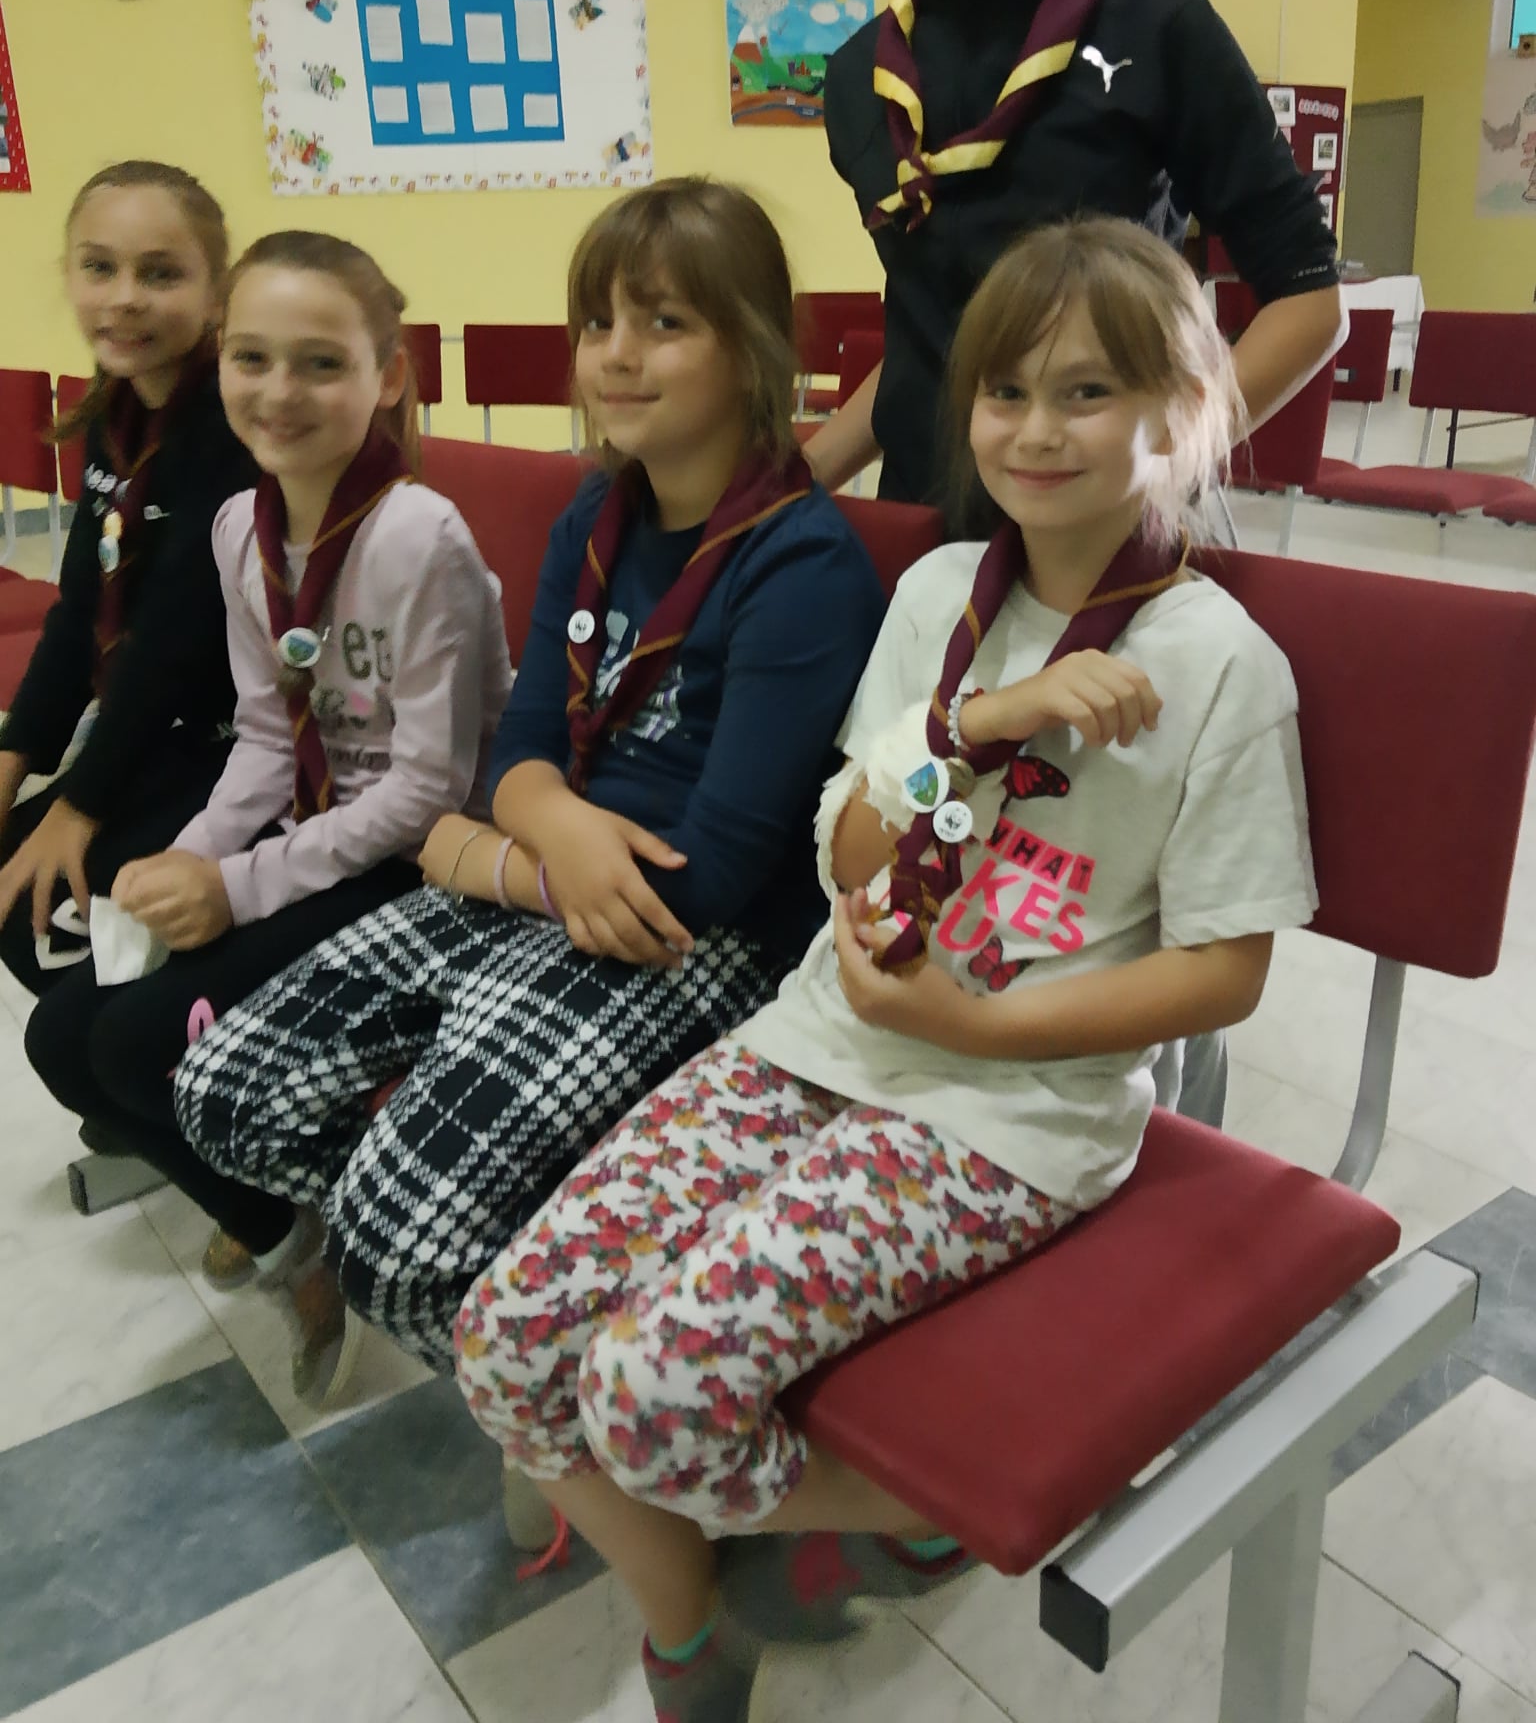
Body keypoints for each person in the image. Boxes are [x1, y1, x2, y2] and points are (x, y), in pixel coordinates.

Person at [454, 216, 1318, 1723]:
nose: (1034, 431)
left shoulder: (1223, 663)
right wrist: (975, 726)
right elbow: (849, 845)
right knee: (506, 1344)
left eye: (1087, 393)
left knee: (650, 1403)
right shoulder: (940, 597)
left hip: (1010, 1110)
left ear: (1185, 413)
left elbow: (1224, 975)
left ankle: (914, 1512)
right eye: (1006, 392)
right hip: (824, 1038)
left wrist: (969, 1029)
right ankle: (692, 1624)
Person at [174, 176, 887, 1389]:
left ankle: (549, 1384)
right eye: (598, 322)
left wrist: (485, 845)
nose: (618, 354)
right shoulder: (599, 512)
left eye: (665, 323)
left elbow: (711, 874)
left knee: (395, 1243)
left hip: (680, 931)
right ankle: (499, 1223)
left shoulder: (801, 562)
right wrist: (539, 829)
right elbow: (518, 755)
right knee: (224, 1094)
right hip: (555, 874)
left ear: (754, 343)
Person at [25, 230, 510, 1399]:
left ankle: (317, 1219)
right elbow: (260, 734)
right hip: (316, 833)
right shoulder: (242, 528)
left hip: (424, 862)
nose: (278, 391)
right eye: (251, 357)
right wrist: (188, 855)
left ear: (387, 375)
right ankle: (289, 1231)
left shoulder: (418, 535)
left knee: (133, 1042)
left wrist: (236, 886)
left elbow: (425, 790)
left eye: (320, 362)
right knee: (58, 1040)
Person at [805, 0, 1344, 511]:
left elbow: (1309, 298)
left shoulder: (1161, 30)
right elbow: (927, 340)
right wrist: (788, 487)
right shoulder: (859, 76)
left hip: (1102, 546)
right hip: (917, 545)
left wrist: (1161, 468)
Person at [0, 161, 255, 1000]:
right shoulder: (114, 415)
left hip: (243, 740)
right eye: (99, 268)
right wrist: (13, 759)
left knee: (38, 918)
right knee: (20, 890)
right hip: (164, 720)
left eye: (161, 274)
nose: (124, 298)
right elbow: (82, 608)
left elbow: (173, 638)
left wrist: (81, 807)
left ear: (217, 292)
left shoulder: (232, 426)